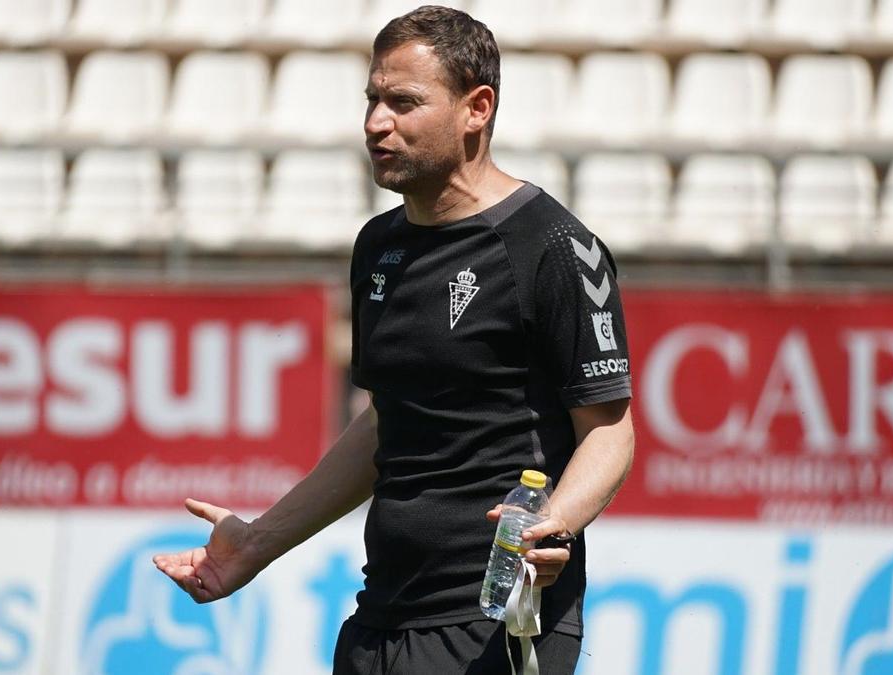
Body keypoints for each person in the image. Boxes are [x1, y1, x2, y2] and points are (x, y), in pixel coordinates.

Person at [154, 6, 635, 673]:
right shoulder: (378, 247)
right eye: (373, 100)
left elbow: (610, 433)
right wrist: (256, 544)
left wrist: (554, 521)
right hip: (380, 615)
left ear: (478, 108)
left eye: (404, 103)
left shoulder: (552, 247)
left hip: (495, 621)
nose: (377, 122)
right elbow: (386, 421)